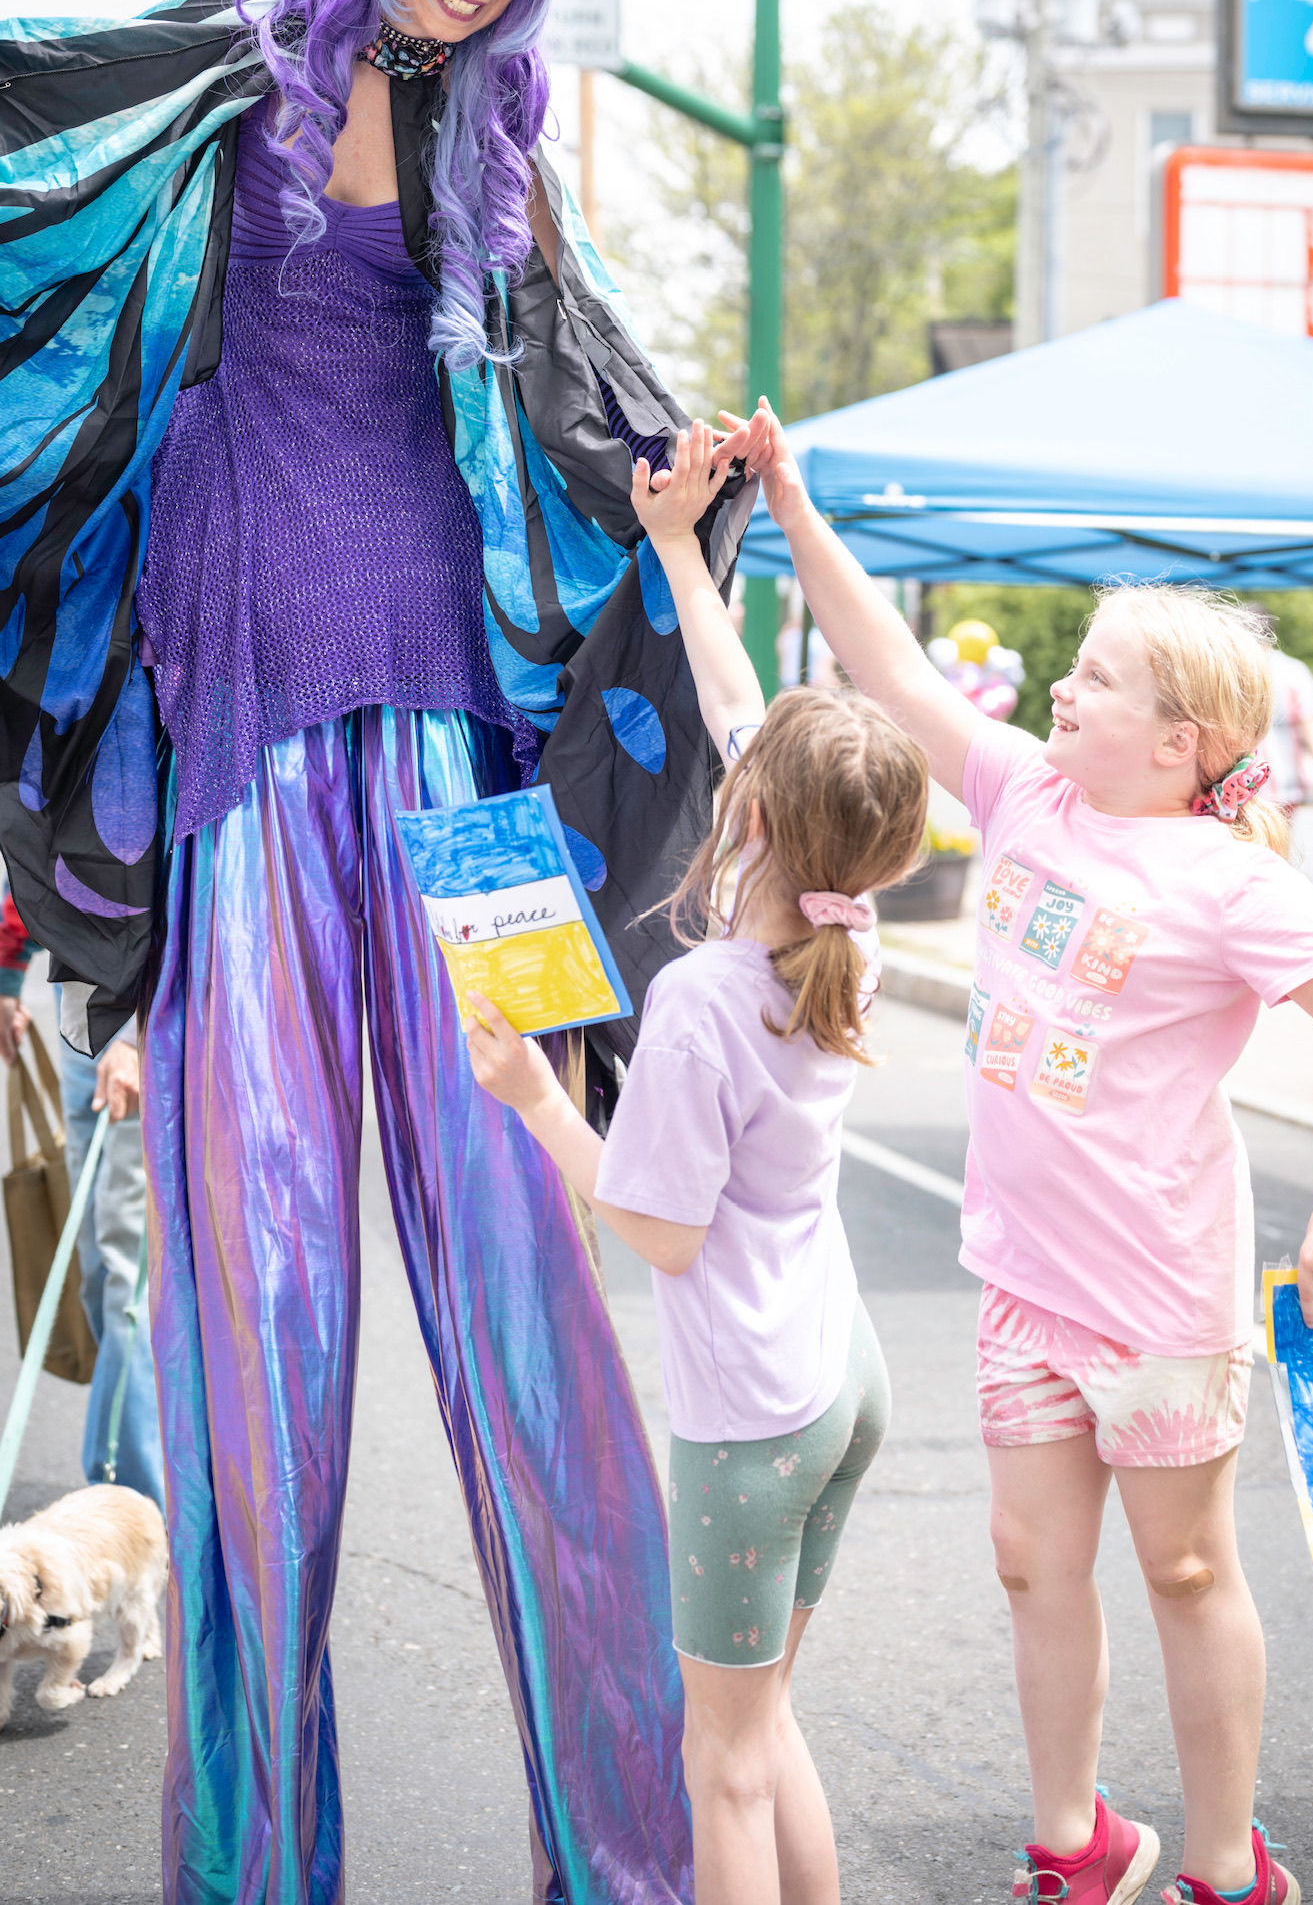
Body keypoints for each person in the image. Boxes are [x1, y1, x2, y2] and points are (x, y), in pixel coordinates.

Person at [1, 0, 757, 1904]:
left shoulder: (508, 130)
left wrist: (681, 485)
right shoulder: (231, 62)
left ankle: (627, 1865)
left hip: (472, 780)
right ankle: (254, 1868)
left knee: (535, 1287)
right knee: (254, 1355)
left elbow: (576, 384)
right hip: (243, 737)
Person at [730, 405, 1313, 1905]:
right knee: (1032, 1565)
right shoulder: (1022, 796)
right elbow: (888, 667)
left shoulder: (1236, 884)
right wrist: (787, 499)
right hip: (1024, 1280)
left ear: (1180, 742)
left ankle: (1232, 1870)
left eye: (1095, 678)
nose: (1061, 683)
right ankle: (1074, 1845)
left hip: (1167, 1295)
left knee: (1183, 1573)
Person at [465, 421, 930, 1905]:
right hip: (838, 1381)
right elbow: (743, 703)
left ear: (750, 811)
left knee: (718, 1765)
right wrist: (677, 540)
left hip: (752, 1421)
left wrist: (534, 1096)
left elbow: (660, 1233)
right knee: (767, 1729)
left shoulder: (707, 1000)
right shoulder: (840, 925)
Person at [0, 894, 163, 1508]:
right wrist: (9, 969)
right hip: (80, 997)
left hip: (138, 998)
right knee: (101, 1262)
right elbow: (45, 832)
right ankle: (132, 1482)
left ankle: (131, 1500)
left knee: (124, 1269)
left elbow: (136, 861)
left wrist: (128, 1027)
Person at [1256, 634, 1313, 815]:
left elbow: (1311, 724)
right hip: (1289, 782)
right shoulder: (1293, 670)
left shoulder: (1232, 668)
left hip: (1246, 785)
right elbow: (1311, 724)